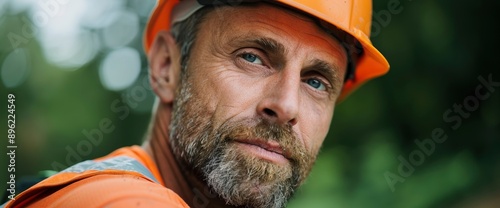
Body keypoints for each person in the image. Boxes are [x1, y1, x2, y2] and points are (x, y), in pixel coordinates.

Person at [2, 0, 389, 207]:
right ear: (167, 67)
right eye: (252, 57)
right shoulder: (119, 200)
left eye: (316, 82)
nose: (286, 105)